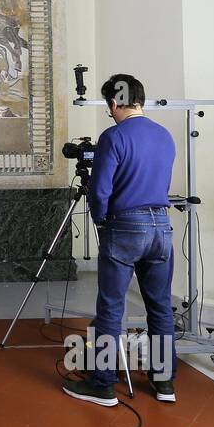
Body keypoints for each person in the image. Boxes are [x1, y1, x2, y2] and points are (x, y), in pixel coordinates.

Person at [63, 73, 178, 407]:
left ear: (114, 104)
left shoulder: (113, 137)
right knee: (160, 307)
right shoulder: (165, 135)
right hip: (162, 228)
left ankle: (102, 384)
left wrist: (100, 220)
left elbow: (100, 190)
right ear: (139, 99)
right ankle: (164, 382)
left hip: (126, 227)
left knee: (112, 307)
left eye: (109, 107)